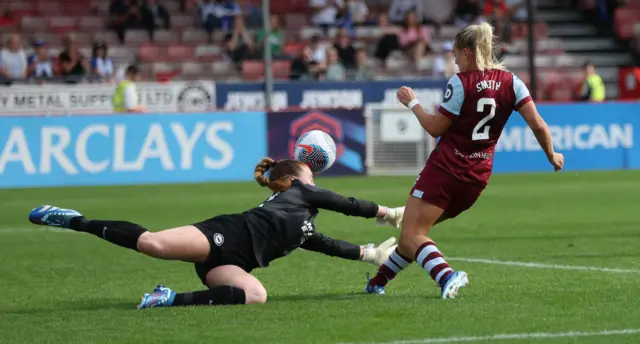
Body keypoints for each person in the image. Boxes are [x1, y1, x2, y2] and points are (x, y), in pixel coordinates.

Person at [28, 157, 404, 309]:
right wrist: (388, 213)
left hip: (233, 264)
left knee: (255, 295)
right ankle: (72, 220)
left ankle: (168, 299)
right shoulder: (298, 191)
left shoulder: (304, 222)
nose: (314, 178)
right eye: (309, 173)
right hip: (224, 234)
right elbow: (346, 202)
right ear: (291, 180)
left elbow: (327, 245)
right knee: (152, 243)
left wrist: (368, 255)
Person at [365, 22, 565, 299]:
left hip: (445, 170)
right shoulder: (513, 82)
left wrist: (413, 104)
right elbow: (540, 126)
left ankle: (447, 276)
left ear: (469, 53)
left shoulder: (460, 83)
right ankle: (377, 282)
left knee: (413, 236)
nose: (455, 61)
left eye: (456, 55)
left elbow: (435, 128)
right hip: (476, 179)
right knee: (414, 236)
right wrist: (552, 155)